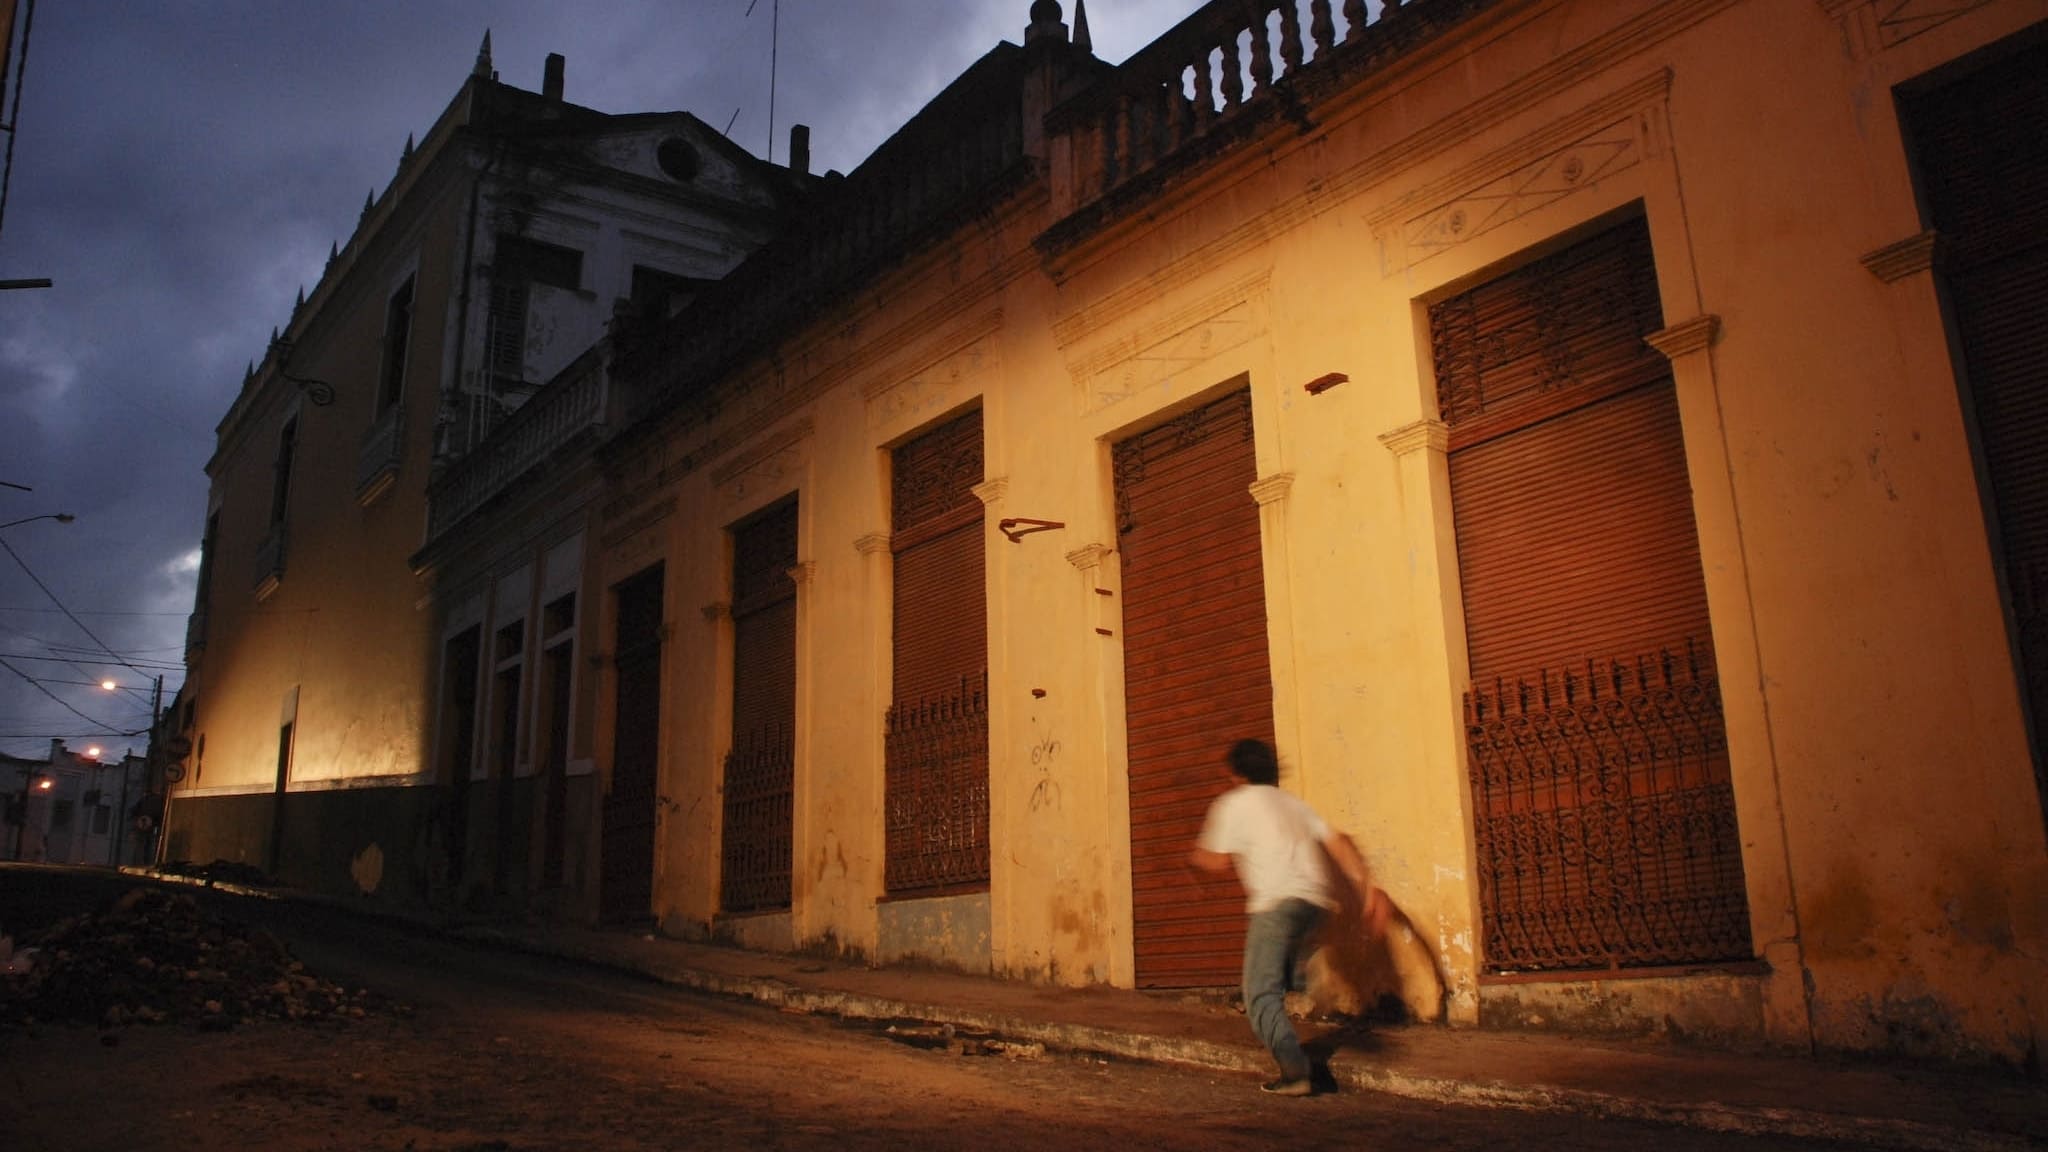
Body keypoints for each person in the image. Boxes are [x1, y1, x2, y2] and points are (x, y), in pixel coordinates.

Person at [1190, 737, 1376, 1096]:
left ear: (1236, 773)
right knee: (1287, 959)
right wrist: (1365, 889)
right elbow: (1337, 842)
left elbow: (1215, 860)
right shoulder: (1293, 804)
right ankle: (1302, 971)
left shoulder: (1233, 803)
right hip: (1314, 905)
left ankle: (1295, 1072)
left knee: (1260, 995)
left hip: (1277, 905)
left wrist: (1194, 861)